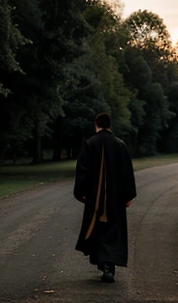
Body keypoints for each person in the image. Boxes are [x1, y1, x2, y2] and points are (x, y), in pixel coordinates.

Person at [73, 112, 136, 283]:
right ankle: (109, 266)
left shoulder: (90, 144)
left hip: (95, 199)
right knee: (113, 231)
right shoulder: (120, 145)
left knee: (98, 230)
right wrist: (128, 195)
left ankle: (103, 264)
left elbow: (82, 171)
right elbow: (127, 173)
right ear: (109, 125)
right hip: (116, 200)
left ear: (96, 125)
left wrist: (82, 193)